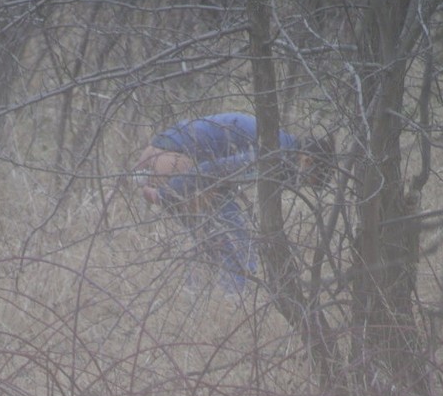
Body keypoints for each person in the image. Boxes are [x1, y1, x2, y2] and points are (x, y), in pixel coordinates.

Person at [133, 112, 333, 291]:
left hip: (166, 150)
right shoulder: (274, 154)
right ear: (307, 161)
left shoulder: (280, 146)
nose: (302, 185)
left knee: (213, 237)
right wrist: (164, 195)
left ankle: (197, 294)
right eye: (309, 180)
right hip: (172, 155)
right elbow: (213, 170)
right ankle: (234, 297)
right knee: (234, 237)